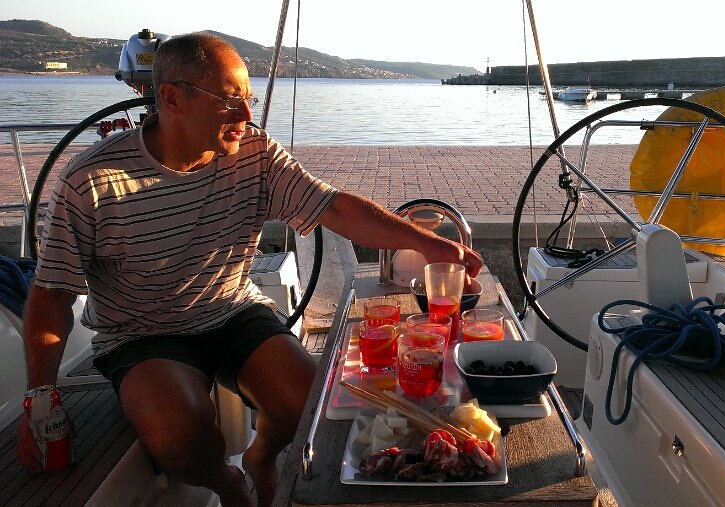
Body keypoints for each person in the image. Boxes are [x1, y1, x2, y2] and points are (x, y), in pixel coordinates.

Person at [16, 33, 482, 507]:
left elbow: (335, 208)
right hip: (142, 333)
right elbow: (51, 294)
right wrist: (41, 399)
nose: (245, 115)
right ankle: (229, 484)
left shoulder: (255, 153)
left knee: (307, 403)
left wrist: (431, 245)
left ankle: (260, 458)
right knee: (178, 437)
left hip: (233, 310)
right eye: (228, 100)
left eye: (249, 99)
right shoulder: (91, 180)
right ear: (171, 98)